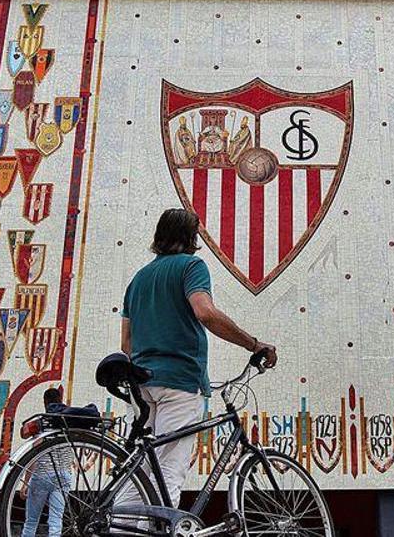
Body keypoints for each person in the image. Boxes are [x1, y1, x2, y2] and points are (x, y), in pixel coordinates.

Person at [116, 208, 277, 507]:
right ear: (191, 237)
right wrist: (252, 344)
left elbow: (126, 343)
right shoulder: (191, 266)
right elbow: (205, 312)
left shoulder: (137, 280)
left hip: (140, 383)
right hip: (179, 381)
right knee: (169, 471)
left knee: (138, 472)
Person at [21, 388, 74, 537]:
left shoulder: (41, 423)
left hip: (42, 476)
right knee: (56, 521)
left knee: (31, 521)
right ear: (60, 400)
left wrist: (25, 482)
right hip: (63, 476)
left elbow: (34, 454)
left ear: (45, 402)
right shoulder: (68, 423)